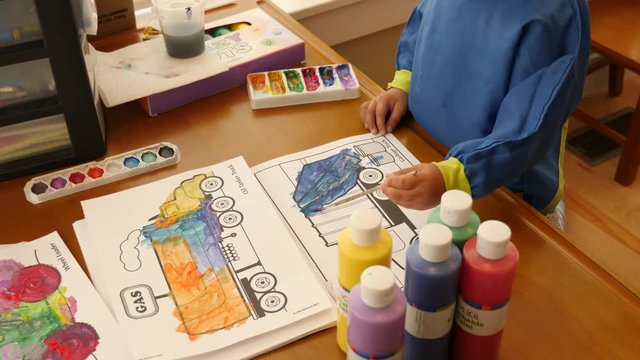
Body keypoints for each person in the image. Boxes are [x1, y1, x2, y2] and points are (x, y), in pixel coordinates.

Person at [360, 0, 590, 229]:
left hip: (504, 184)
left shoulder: (553, 15)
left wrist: (459, 177)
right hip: (427, 149)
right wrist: (404, 84)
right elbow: (425, 25)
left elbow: (530, 126)